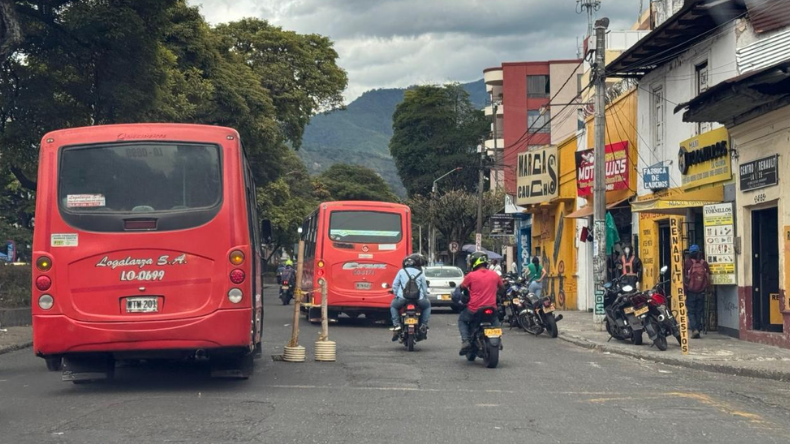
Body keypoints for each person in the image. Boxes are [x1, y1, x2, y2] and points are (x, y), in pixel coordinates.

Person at [458, 252, 504, 354]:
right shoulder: (495, 275)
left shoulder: (470, 276)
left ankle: (465, 340)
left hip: (474, 309)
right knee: (495, 320)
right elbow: (502, 289)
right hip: (491, 308)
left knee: (462, 320)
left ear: (474, 263)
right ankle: (499, 339)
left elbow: (461, 288)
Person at [389, 254, 431, 339]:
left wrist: (396, 294)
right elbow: (424, 287)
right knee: (427, 306)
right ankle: (423, 325)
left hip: (402, 298)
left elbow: (395, 285)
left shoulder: (401, 271)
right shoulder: (420, 273)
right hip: (418, 299)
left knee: (393, 306)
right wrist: (425, 296)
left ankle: (397, 325)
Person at [684, 244, 710, 339]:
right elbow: (708, 277)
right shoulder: (704, 263)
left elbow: (685, 278)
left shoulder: (688, 263)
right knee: (699, 311)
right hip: (701, 291)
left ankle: (694, 329)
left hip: (691, 291)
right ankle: (698, 329)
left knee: (691, 311)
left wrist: (684, 290)